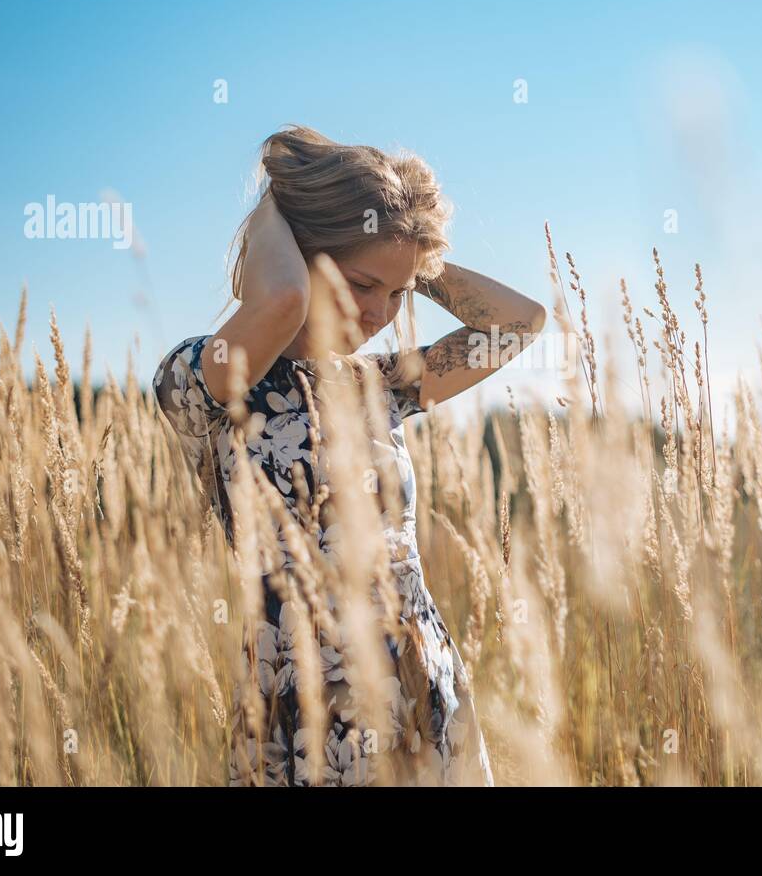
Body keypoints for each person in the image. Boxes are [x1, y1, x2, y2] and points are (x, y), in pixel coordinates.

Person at [152, 125, 545, 785]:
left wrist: (406, 258)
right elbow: (277, 305)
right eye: (363, 284)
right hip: (303, 710)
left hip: (422, 690)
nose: (380, 312)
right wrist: (280, 202)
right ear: (301, 253)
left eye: (396, 294)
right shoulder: (203, 380)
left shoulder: (380, 386)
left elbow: (518, 322)